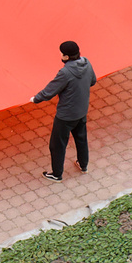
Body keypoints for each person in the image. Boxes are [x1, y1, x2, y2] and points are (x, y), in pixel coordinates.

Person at [31, 41, 98, 182]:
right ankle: (83, 165)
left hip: (66, 116)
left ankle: (57, 174)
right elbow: (92, 81)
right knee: (81, 138)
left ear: (66, 56)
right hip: (81, 110)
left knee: (57, 145)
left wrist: (35, 99)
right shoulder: (87, 63)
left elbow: (50, 91)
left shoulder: (65, 72)